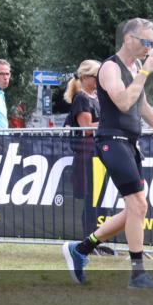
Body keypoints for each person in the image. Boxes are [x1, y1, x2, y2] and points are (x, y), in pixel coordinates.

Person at [63, 19, 153, 290]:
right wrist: (147, 73)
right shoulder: (110, 68)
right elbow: (123, 101)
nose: (150, 47)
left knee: (136, 208)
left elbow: (140, 106)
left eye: (152, 42)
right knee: (138, 206)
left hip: (129, 142)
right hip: (111, 141)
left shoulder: (136, 67)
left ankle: (81, 249)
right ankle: (137, 274)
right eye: (146, 42)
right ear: (129, 39)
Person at [64, 60, 102, 245]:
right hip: (86, 153)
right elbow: (86, 128)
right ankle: (89, 241)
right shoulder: (81, 98)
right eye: (97, 76)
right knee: (90, 199)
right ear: (86, 77)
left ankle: (96, 239)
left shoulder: (96, 96)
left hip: (99, 153)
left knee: (98, 198)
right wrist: (111, 122)